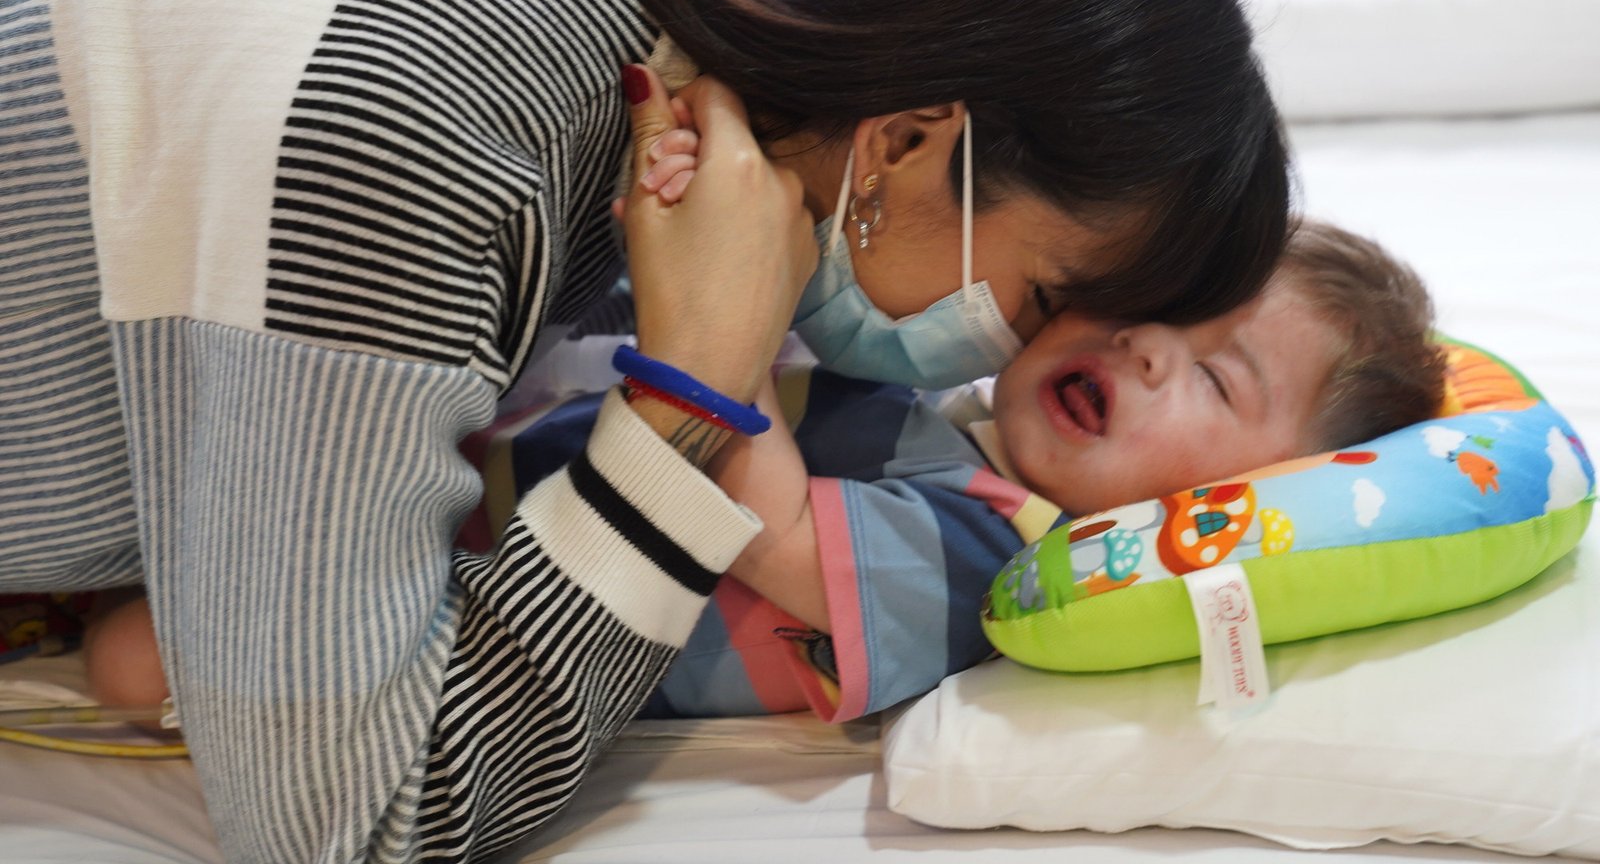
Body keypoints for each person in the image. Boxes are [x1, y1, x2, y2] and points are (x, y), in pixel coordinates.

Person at [1, 0, 1288, 861]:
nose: (1014, 347)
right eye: (1045, 290)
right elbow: (353, 821)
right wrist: (689, 398)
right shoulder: (441, 111)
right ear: (904, 147)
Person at [84, 220, 1446, 725]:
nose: (1149, 349)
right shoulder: (949, 398)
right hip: (494, 477)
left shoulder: (1013, 562)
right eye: (1161, 304)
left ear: (1232, 507)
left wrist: (724, 313)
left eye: (1215, 379)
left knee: (140, 654)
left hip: (509, 617)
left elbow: (771, 528)